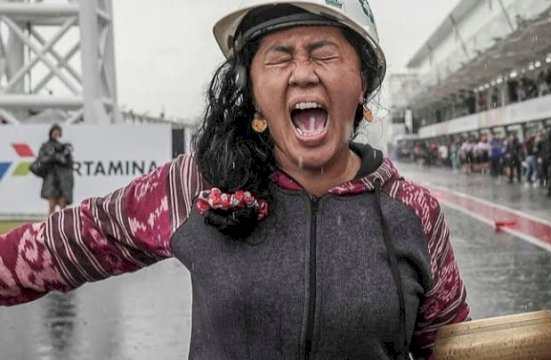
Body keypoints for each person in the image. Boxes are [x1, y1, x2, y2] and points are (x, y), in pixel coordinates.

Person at [0, 1, 470, 359]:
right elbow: (71, 242)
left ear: (363, 83)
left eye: (324, 55)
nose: (303, 73)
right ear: (251, 92)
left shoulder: (415, 211)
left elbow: (450, 345)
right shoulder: (199, 183)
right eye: (279, 58)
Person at [36, 124, 74, 214]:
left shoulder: (64, 147)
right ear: (51, 133)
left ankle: (63, 224)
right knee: (51, 204)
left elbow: (69, 163)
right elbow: (41, 159)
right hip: (51, 177)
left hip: (63, 178)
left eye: (58, 133)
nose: (56, 134)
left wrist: (65, 157)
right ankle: (50, 224)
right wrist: (53, 157)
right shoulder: (45, 146)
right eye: (54, 132)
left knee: (63, 204)